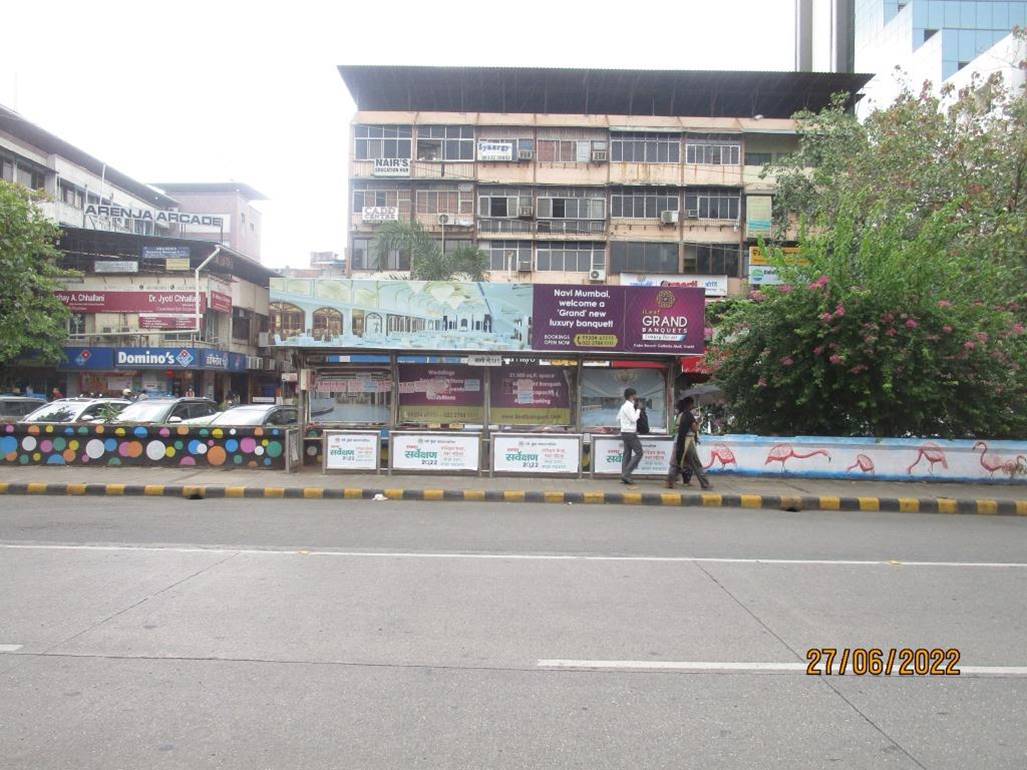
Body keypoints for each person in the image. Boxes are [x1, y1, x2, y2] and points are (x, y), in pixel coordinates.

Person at [669, 396, 712, 490]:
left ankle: (670, 482)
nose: (693, 407)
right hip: (688, 442)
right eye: (692, 404)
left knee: (677, 462)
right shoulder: (689, 415)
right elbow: (694, 428)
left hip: (679, 442)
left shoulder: (680, 415)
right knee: (696, 464)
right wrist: (698, 422)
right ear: (690, 405)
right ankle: (705, 484)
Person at [617, 387, 644, 485]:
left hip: (625, 432)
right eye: (635, 395)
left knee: (627, 454)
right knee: (639, 452)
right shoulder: (628, 406)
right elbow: (633, 419)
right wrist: (639, 410)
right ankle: (626, 474)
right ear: (631, 396)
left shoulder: (624, 406)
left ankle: (624, 475)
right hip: (630, 432)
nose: (636, 397)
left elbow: (618, 417)